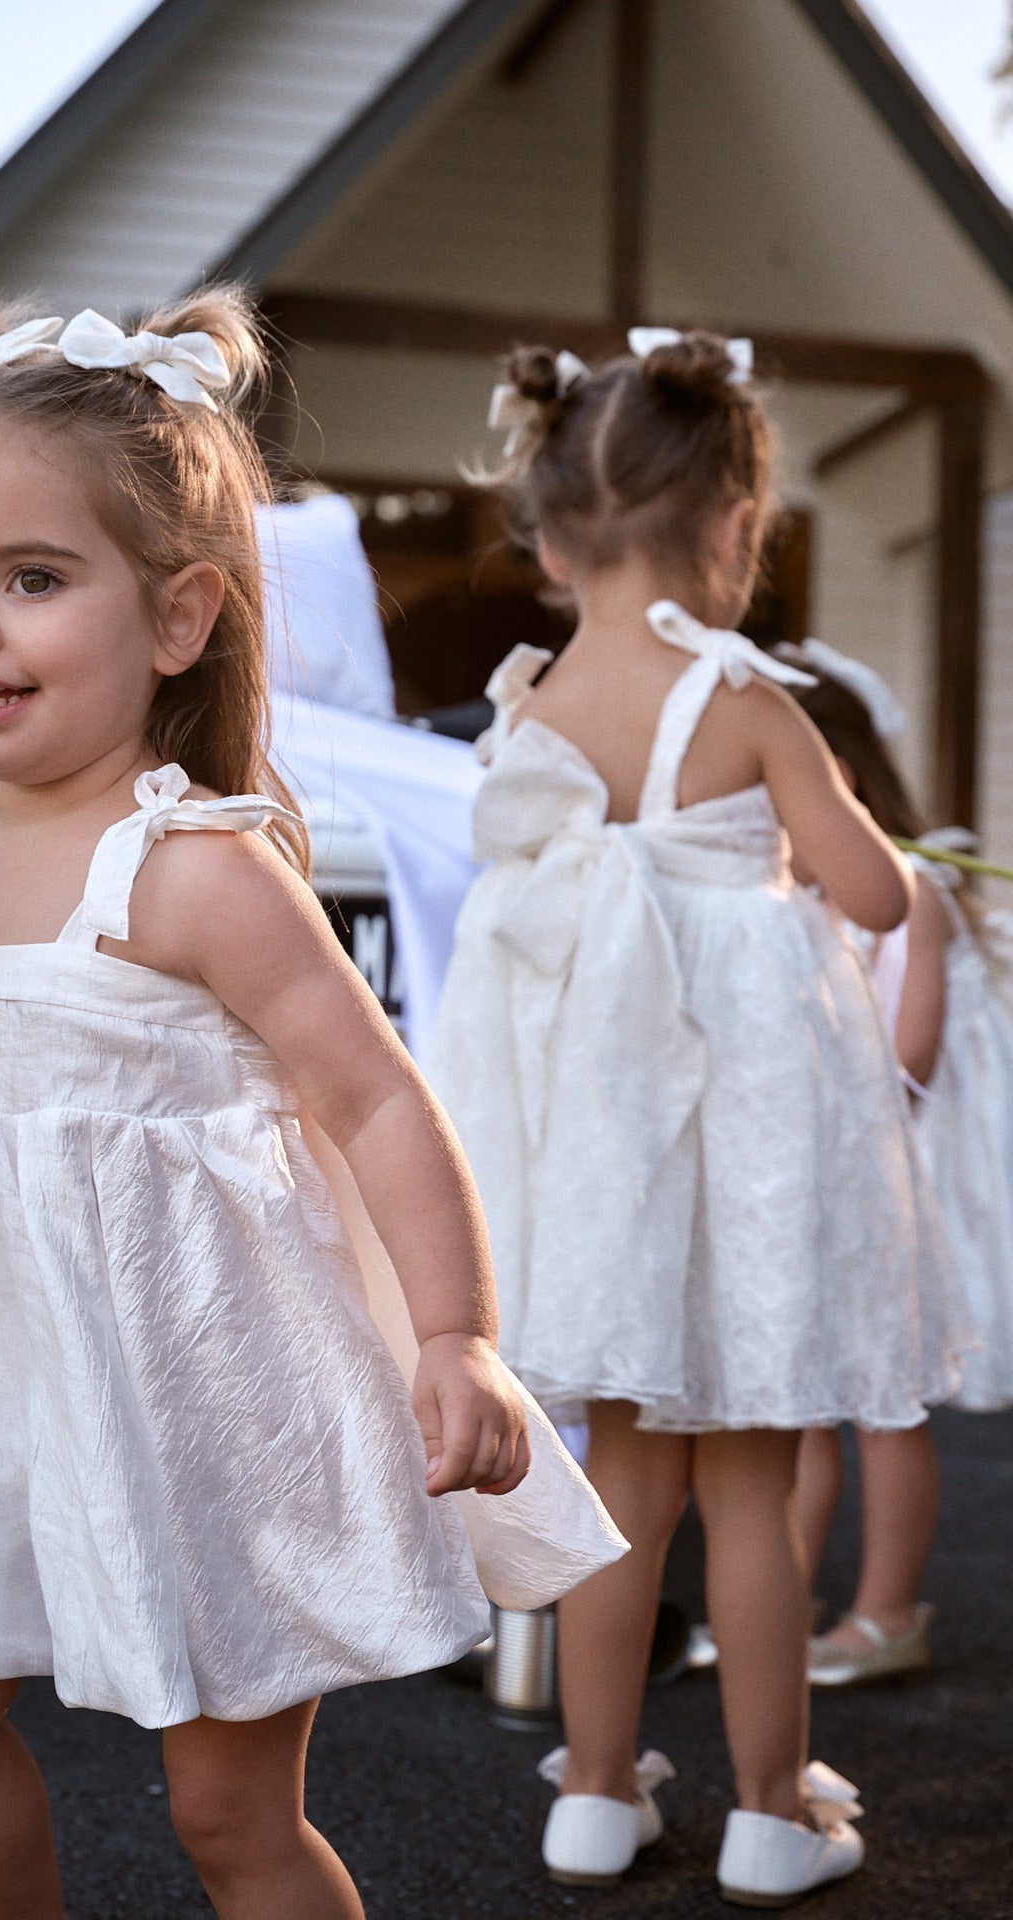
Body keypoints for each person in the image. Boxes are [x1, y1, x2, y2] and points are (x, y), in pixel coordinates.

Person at [0, 291, 624, 1920]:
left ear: (178, 616)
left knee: (229, 1817)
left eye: (32, 579)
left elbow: (378, 1107)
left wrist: (454, 1335)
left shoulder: (199, 871)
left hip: (207, 1390)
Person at [430, 328, 966, 1906]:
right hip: (738, 1165)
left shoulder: (524, 717)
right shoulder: (744, 699)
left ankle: (593, 1797)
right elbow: (870, 890)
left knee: (622, 1486)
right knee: (752, 1489)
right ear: (739, 527)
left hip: (602, 1164)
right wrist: (908, 872)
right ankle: (769, 1811)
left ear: (543, 535)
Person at [790, 654, 1009, 1687]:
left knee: (882, 1401)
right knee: (788, 1405)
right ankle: (776, 1599)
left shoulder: (908, 893)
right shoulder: (790, 893)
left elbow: (904, 1064)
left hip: (881, 1174)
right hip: (807, 1170)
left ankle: (886, 1611)